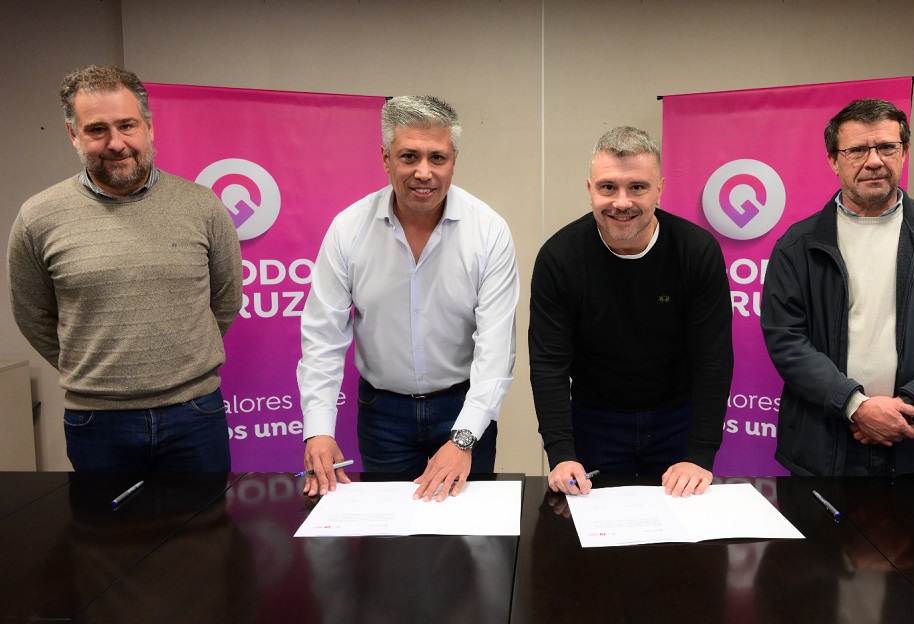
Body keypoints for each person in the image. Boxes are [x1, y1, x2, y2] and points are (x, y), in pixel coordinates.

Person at [7, 65, 243, 472]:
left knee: (207, 517)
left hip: (194, 414)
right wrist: (94, 369)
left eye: (127, 125)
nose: (116, 143)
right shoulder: (38, 217)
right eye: (97, 129)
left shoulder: (201, 205)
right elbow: (33, 314)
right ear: (74, 135)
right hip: (97, 422)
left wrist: (183, 360)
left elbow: (226, 298)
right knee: (104, 519)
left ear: (148, 127)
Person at [297, 95, 519, 501]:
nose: (424, 172)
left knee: (468, 531)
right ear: (386, 158)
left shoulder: (489, 231)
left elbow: (496, 348)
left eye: (438, 158)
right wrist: (318, 430)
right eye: (409, 156)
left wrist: (464, 437)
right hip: (384, 415)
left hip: (464, 407)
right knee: (391, 533)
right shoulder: (348, 229)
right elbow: (323, 337)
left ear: (454, 160)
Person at [760, 98, 914, 477]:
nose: (874, 161)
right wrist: (857, 406)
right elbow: (786, 340)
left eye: (886, 147)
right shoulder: (797, 245)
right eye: (856, 150)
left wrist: (906, 406)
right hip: (824, 445)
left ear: (904, 152)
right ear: (833, 160)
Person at [529, 126, 733, 498]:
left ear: (660, 189)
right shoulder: (559, 257)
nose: (621, 202)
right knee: (591, 528)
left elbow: (713, 358)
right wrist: (561, 453)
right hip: (594, 421)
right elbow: (549, 363)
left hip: (678, 420)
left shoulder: (696, 250)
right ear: (590, 189)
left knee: (680, 530)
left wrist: (700, 454)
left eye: (637, 187)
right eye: (608, 187)